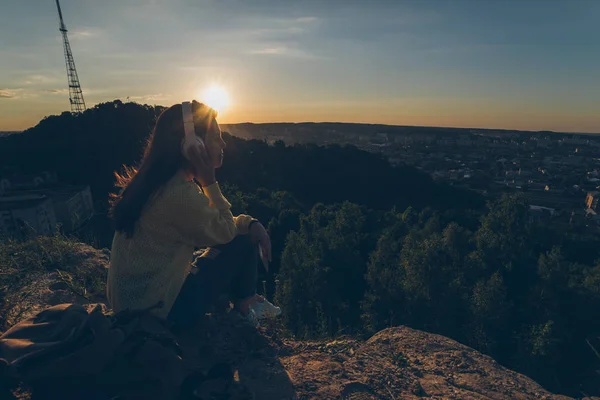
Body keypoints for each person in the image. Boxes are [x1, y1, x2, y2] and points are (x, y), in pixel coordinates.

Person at [107, 100, 280, 329]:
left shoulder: (158, 184)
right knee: (243, 241)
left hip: (137, 303)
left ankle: (238, 301)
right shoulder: (179, 195)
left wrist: (250, 221)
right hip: (158, 314)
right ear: (193, 146)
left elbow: (212, 223)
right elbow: (226, 231)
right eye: (216, 136)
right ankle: (245, 308)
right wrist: (209, 182)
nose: (223, 144)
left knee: (239, 235)